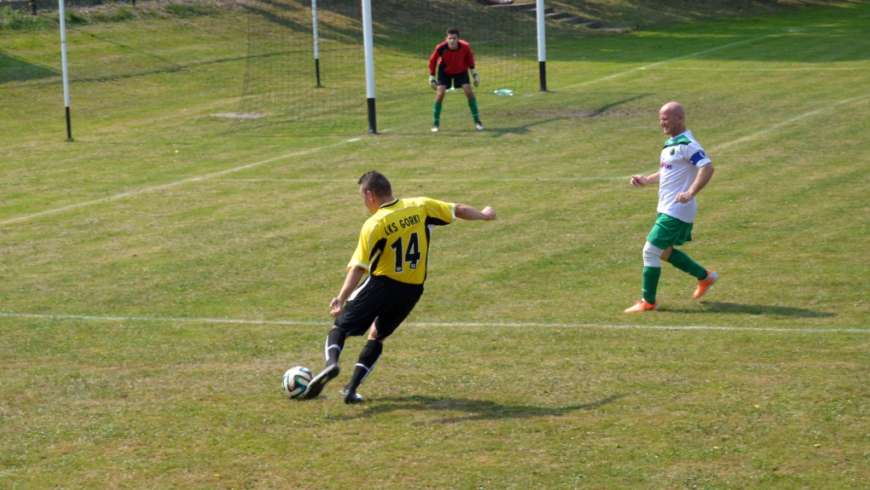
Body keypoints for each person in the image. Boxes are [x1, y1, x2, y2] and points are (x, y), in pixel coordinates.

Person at [302, 170, 497, 403]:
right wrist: (484, 216)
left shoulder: (375, 223)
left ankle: (331, 364)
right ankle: (350, 390)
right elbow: (460, 209)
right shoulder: (420, 206)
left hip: (381, 285)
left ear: (370, 195)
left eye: (362, 198)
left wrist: (341, 298)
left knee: (340, 327)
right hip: (412, 290)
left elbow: (358, 267)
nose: (363, 203)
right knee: (377, 337)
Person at [625, 102, 718, 313]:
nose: (662, 122)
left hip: (677, 209)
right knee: (664, 252)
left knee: (650, 251)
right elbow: (668, 172)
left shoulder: (688, 144)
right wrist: (647, 179)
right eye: (660, 118)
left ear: (680, 118)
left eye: (666, 118)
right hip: (667, 207)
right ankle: (705, 277)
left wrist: (691, 192)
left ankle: (648, 302)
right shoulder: (671, 144)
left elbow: (707, 167)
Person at [428, 27, 484, 133]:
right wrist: (431, 77)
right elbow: (432, 60)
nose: (452, 41)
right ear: (446, 39)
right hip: (445, 71)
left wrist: (474, 74)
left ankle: (477, 121)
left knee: (468, 91)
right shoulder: (440, 48)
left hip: (461, 70)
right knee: (440, 94)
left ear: (458, 39)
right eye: (450, 38)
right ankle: (435, 124)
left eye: (454, 38)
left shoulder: (465, 46)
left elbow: (469, 58)